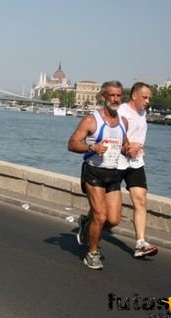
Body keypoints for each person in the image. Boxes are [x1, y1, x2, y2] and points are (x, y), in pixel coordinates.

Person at [68, 80, 128, 270]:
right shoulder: (91, 120)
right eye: (112, 95)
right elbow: (72, 144)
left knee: (113, 220)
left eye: (119, 95)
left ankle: (87, 222)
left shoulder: (123, 122)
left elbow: (123, 146)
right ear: (104, 97)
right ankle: (92, 253)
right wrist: (92, 147)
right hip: (93, 172)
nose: (116, 99)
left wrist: (130, 149)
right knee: (101, 216)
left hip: (114, 174)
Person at [117, 82, 158, 258]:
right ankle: (88, 222)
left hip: (135, 162)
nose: (148, 101)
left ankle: (140, 243)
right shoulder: (121, 112)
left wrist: (140, 148)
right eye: (145, 97)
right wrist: (127, 145)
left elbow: (138, 135)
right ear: (134, 96)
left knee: (141, 200)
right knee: (105, 206)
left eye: (149, 98)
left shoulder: (143, 113)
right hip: (117, 161)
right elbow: (112, 135)